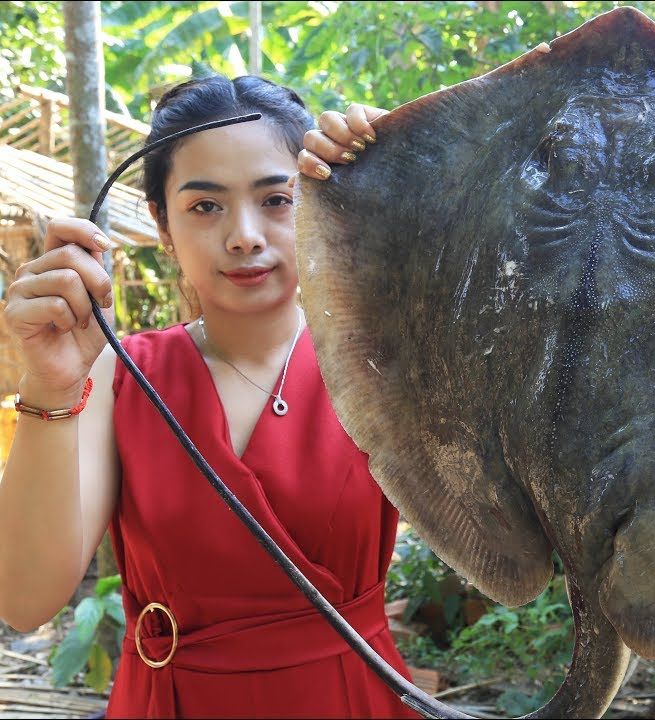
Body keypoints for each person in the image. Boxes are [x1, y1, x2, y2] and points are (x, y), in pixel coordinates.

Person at [0, 75, 418, 719]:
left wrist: (415, 175)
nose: (244, 235)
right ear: (163, 226)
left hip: (351, 698)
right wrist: (50, 384)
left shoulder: (389, 362)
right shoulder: (118, 376)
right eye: (205, 206)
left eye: (276, 199)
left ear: (320, 201)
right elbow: (24, 601)